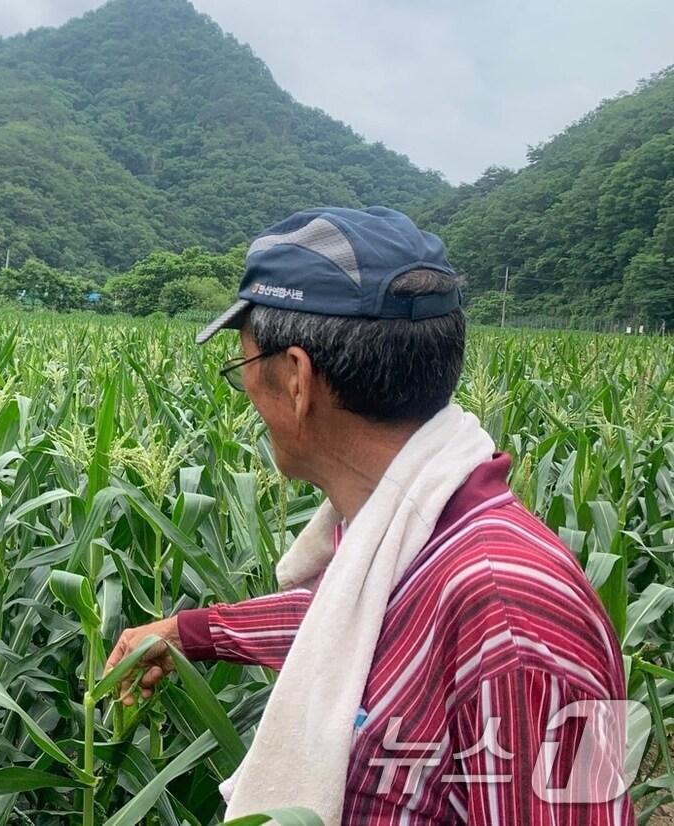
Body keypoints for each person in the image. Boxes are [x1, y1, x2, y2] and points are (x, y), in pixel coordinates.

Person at [103, 207, 632, 825]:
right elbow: (368, 620)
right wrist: (194, 633)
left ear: (297, 379)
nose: (246, 392)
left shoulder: (517, 616)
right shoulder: (415, 541)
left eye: (241, 366)